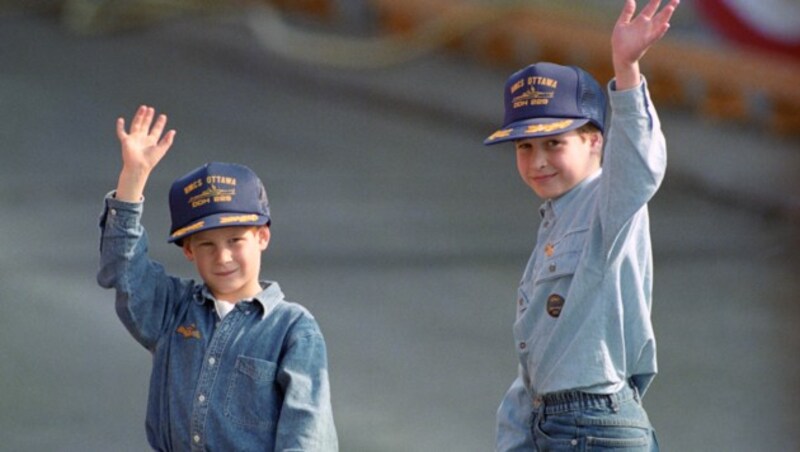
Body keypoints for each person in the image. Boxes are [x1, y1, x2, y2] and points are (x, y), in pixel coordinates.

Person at [483, 0, 679, 450]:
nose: (538, 162)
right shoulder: (557, 217)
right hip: (552, 421)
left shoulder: (608, 202)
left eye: (554, 143)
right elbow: (540, 359)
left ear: (595, 140)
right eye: (524, 148)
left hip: (593, 426)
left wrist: (626, 69)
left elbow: (639, 164)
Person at [97, 105, 338, 451]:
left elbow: (307, 436)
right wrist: (132, 179)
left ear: (262, 237)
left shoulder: (292, 329)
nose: (222, 257)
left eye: (235, 240)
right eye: (207, 244)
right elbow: (122, 269)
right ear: (188, 251)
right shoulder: (171, 312)